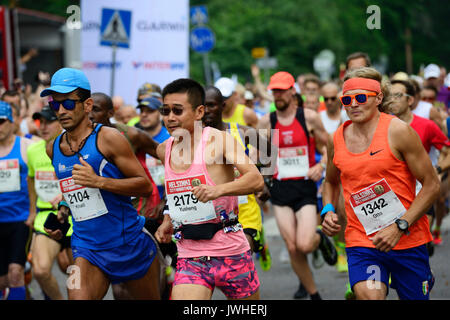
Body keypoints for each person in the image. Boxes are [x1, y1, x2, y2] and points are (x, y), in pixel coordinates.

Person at [40, 68, 160, 300]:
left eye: (68, 103)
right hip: (87, 247)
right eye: (56, 105)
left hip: (128, 243)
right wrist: (63, 213)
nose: (61, 111)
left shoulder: (109, 138)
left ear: (87, 105)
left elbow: (144, 186)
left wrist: (99, 181)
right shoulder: (52, 147)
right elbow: (73, 189)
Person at [321, 67, 439, 300]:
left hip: (407, 238)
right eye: (347, 99)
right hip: (362, 240)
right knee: (370, 297)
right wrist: (327, 209)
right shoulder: (337, 138)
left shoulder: (398, 131)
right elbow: (330, 182)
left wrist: (399, 226)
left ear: (379, 98)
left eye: (361, 98)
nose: (353, 104)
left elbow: (432, 184)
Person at [155, 78, 264, 300]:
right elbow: (176, 192)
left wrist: (218, 190)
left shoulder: (220, 141)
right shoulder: (163, 150)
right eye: (165, 111)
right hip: (190, 254)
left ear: (199, 112)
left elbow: (256, 179)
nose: (170, 118)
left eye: (177, 110)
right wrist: (168, 219)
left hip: (231, 250)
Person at [257, 71, 337, 300]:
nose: (278, 94)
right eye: (275, 90)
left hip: (304, 187)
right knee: (292, 247)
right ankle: (314, 294)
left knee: (304, 244)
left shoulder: (309, 117)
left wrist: (321, 166)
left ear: (293, 91)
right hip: (280, 189)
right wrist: (258, 173)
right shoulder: (266, 121)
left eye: (282, 90)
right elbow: (259, 155)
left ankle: (319, 238)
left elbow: (328, 147)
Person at [89, 92, 172, 300]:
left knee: (147, 287)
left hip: (142, 213)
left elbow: (170, 160)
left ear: (110, 113)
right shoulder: (80, 140)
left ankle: (171, 269)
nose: (89, 114)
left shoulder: (131, 135)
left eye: (96, 110)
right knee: (120, 291)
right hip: (106, 220)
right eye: (87, 109)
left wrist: (166, 197)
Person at [203, 85, 272, 270]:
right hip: (213, 212)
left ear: (223, 105)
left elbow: (267, 148)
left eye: (211, 105)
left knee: (240, 259)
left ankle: (258, 238)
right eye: (203, 106)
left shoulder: (240, 131)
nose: (207, 110)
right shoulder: (194, 137)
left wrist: (266, 181)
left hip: (245, 208)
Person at [388, 79, 450, 249]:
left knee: (419, 245)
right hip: (393, 195)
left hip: (421, 192)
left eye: (397, 95)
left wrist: (437, 169)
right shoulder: (381, 127)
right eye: (389, 96)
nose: (392, 100)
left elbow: (448, 151)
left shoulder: (426, 125)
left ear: (410, 100)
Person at [27, 106, 74, 300]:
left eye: (49, 121)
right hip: (46, 217)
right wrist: (32, 211)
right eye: (40, 122)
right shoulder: (33, 151)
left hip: (75, 218)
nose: (43, 127)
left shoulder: (72, 148)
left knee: (74, 274)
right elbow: (31, 178)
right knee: (40, 271)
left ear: (60, 122)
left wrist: (66, 197)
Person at [0, 101, 34, 300]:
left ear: (12, 122)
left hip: (20, 221)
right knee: (3, 280)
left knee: (15, 273)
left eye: (1, 121)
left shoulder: (27, 146)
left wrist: (34, 212)